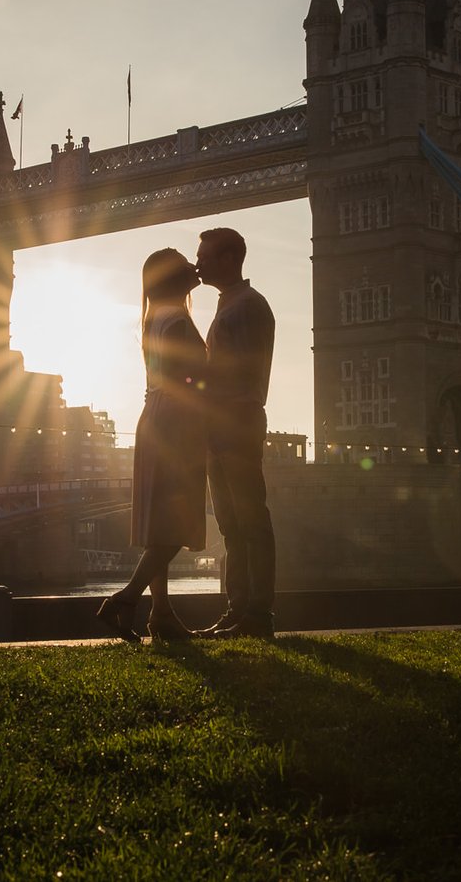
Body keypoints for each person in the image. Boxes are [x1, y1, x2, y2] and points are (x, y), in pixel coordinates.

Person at [96, 248, 207, 643]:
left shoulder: (154, 318)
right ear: (172, 277)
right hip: (177, 422)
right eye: (184, 263)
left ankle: (160, 614)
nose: (193, 266)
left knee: (161, 522)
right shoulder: (176, 320)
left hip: (153, 418)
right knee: (179, 520)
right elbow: (192, 377)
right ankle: (125, 598)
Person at [192, 227, 277, 640]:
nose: (199, 262)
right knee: (229, 524)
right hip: (218, 427)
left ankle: (258, 614)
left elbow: (240, 372)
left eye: (205, 256)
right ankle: (238, 609)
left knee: (250, 521)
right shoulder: (231, 304)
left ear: (229, 259)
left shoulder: (249, 306)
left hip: (237, 423)